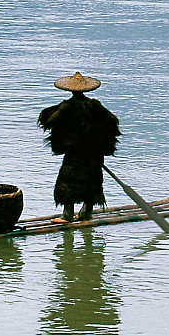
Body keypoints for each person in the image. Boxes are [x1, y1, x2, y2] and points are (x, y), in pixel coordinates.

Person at [37, 71, 120, 223]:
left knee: (68, 181)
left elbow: (47, 119)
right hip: (94, 153)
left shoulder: (66, 107)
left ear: (69, 90)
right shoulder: (96, 106)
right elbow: (112, 122)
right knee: (93, 181)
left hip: (75, 154)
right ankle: (86, 213)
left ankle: (67, 215)